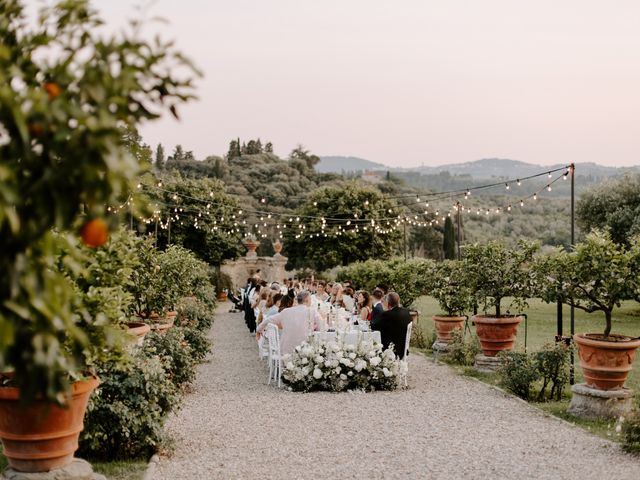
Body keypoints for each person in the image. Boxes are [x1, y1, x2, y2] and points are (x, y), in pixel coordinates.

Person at [256, 290, 321, 355]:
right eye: (310, 299)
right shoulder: (312, 311)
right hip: (305, 351)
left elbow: (268, 320)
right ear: (306, 300)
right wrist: (313, 327)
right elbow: (320, 327)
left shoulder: (286, 311)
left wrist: (259, 330)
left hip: (286, 352)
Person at [370, 292, 412, 359]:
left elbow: (373, 327)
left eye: (383, 302)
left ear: (388, 303)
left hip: (392, 349)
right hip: (402, 347)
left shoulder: (387, 315)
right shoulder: (406, 312)